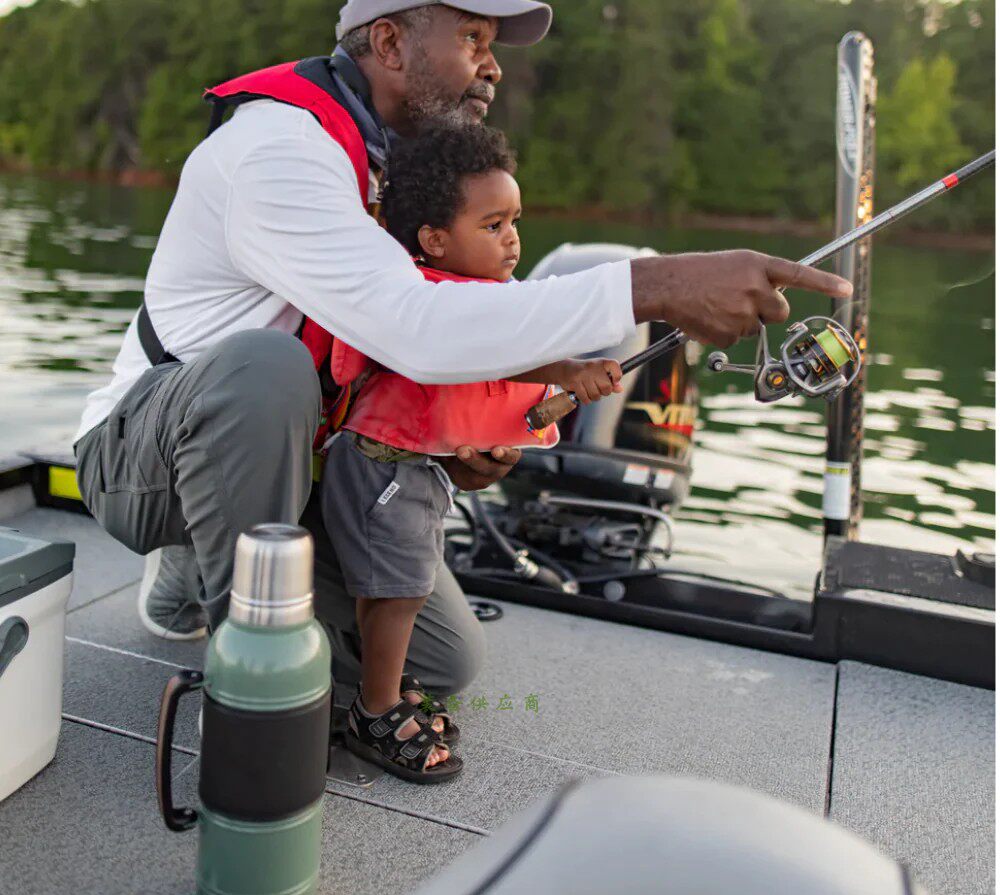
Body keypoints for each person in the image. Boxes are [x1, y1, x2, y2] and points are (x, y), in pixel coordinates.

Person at [71, 0, 852, 709]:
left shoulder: (404, 178)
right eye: (473, 38)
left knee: (440, 661)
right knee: (262, 370)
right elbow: (413, 324)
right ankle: (249, 683)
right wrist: (656, 283)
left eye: (492, 44)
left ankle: (201, 569)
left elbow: (415, 349)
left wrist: (452, 448)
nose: (494, 65)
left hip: (297, 460)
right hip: (146, 459)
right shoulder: (279, 149)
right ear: (389, 43)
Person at [323, 123, 621, 780]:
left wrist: (568, 382)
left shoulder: (472, 299)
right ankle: (374, 712)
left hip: (406, 470)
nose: (512, 237)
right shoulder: (428, 298)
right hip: (383, 467)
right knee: (397, 592)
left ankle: (382, 689)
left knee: (392, 590)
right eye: (492, 225)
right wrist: (568, 369)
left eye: (514, 220)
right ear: (434, 240)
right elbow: (492, 347)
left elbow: (498, 365)